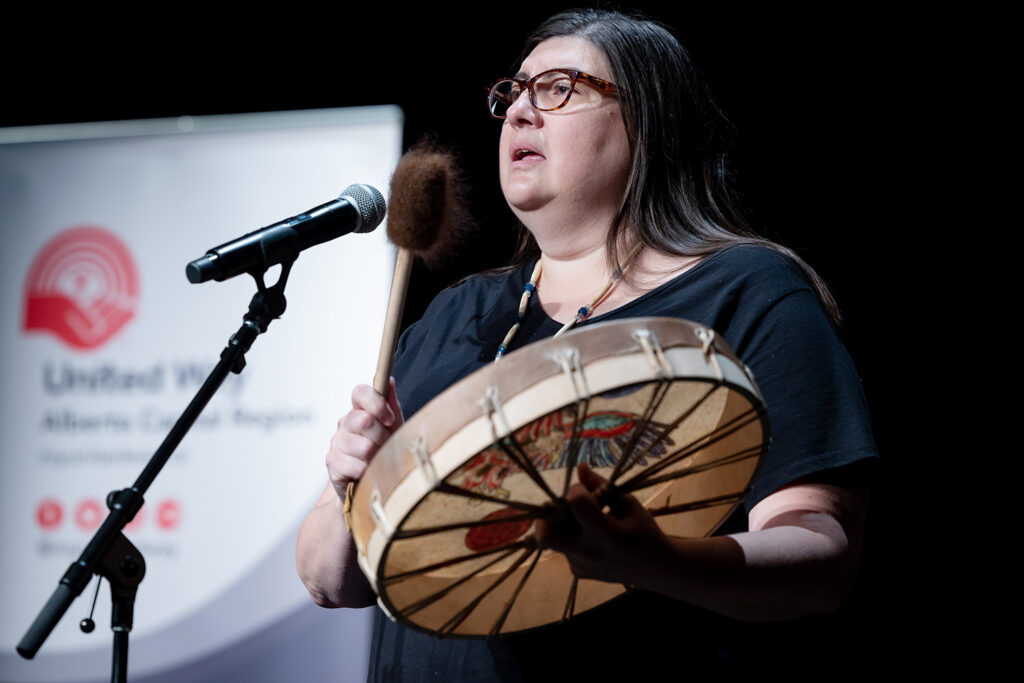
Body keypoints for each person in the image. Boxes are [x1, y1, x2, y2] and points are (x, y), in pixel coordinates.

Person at [297, 9, 878, 680]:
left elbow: (819, 553)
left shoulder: (746, 292)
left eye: (559, 88)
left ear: (650, 121)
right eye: (513, 93)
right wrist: (352, 487)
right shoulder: (457, 315)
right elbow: (327, 581)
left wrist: (655, 561)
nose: (519, 112)